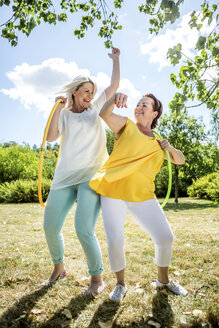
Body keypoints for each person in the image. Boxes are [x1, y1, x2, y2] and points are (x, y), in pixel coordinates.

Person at [89, 92, 188, 301]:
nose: (139, 107)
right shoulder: (126, 126)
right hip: (113, 190)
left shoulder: (159, 144)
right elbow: (104, 114)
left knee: (165, 238)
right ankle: (120, 284)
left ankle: (163, 280)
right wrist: (114, 98)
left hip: (143, 195)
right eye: (138, 104)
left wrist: (169, 147)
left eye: (145, 105)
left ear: (155, 113)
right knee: (115, 240)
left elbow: (180, 160)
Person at [43, 47, 120, 295]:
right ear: (74, 92)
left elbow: (114, 84)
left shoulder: (96, 108)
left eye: (92, 92)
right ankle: (59, 268)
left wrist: (116, 59)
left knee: (83, 228)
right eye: (86, 91)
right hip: (64, 178)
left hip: (91, 176)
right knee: (50, 227)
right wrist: (57, 107)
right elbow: (52, 137)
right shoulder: (64, 115)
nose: (90, 95)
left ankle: (97, 279)